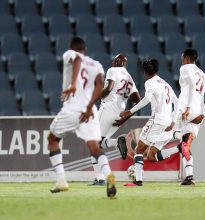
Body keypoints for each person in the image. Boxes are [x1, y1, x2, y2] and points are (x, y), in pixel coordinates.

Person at [47, 37, 116, 198]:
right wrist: (90, 105)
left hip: (72, 108)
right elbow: (100, 84)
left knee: (52, 140)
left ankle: (61, 180)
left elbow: (76, 59)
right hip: (89, 111)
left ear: (72, 47)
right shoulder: (96, 64)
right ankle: (108, 175)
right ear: (85, 49)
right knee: (95, 148)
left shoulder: (69, 54)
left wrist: (72, 84)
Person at [119, 59, 182, 186]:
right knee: (152, 155)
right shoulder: (165, 83)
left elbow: (147, 99)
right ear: (157, 70)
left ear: (145, 73)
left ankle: (138, 181)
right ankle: (180, 148)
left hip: (157, 120)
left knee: (138, 150)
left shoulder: (150, 82)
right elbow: (177, 102)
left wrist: (130, 111)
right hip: (167, 122)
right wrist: (173, 122)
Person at [89, 54, 141, 186]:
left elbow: (108, 88)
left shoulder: (113, 70)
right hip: (119, 115)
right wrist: (126, 118)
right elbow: (137, 101)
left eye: (115, 59)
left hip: (107, 110)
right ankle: (116, 142)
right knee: (100, 142)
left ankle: (100, 178)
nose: (113, 61)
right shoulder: (129, 78)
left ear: (119, 61)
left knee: (93, 142)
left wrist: (93, 99)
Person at [172, 48, 205, 185]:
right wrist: (203, 114)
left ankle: (146, 158)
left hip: (185, 109)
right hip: (198, 113)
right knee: (185, 145)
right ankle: (189, 177)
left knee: (169, 134)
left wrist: (188, 107)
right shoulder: (204, 75)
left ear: (186, 58)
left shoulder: (185, 68)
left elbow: (190, 85)